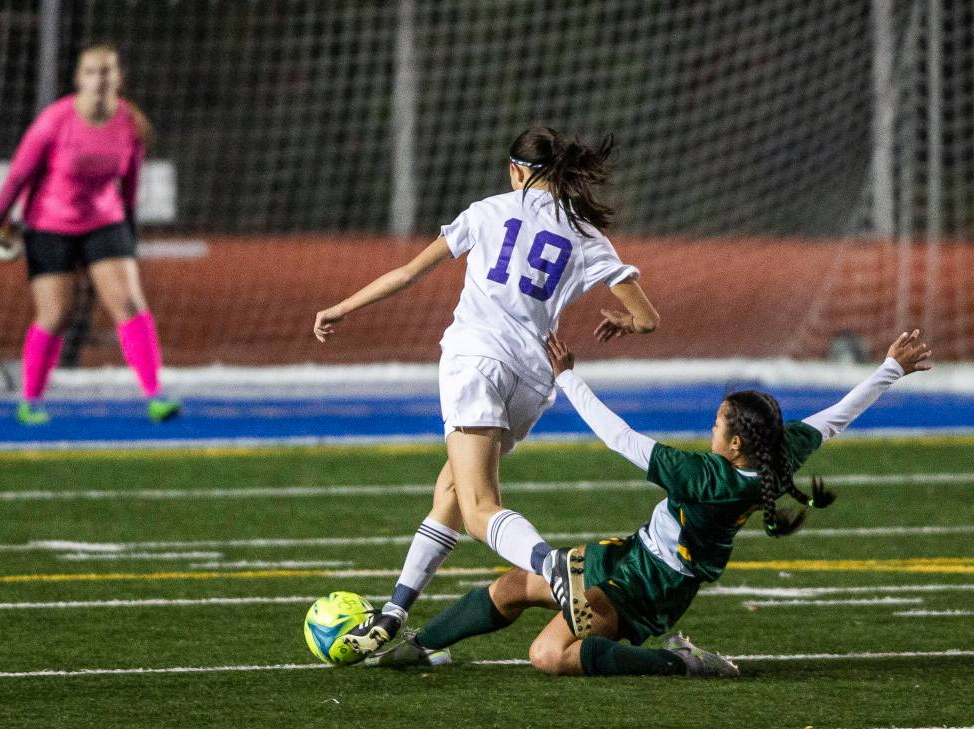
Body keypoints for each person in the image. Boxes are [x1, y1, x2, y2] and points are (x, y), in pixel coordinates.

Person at [368, 330, 933, 676]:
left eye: (717, 423)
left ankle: (676, 661)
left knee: (549, 655)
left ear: (735, 444)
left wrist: (568, 379)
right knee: (516, 585)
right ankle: (420, 648)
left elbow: (619, 438)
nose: (710, 427)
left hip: (649, 590)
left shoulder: (704, 478)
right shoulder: (778, 454)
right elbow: (834, 418)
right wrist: (891, 368)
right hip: (634, 554)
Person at [314, 127, 659, 655]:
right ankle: (393, 612)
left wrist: (342, 307)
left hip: (476, 360)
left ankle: (550, 564)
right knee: (452, 490)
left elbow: (407, 273)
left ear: (517, 170)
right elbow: (647, 318)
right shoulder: (588, 235)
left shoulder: (487, 211)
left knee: (479, 509)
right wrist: (625, 323)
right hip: (533, 379)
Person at [0, 44, 180, 425]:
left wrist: (130, 228)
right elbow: (20, 173)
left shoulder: (132, 124)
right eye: (92, 71)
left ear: (119, 78)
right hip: (48, 224)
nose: (100, 79)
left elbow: (131, 182)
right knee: (56, 313)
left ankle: (155, 396)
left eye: (108, 71)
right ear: (79, 79)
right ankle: (31, 401)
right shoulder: (54, 121)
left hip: (105, 220)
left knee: (129, 303)